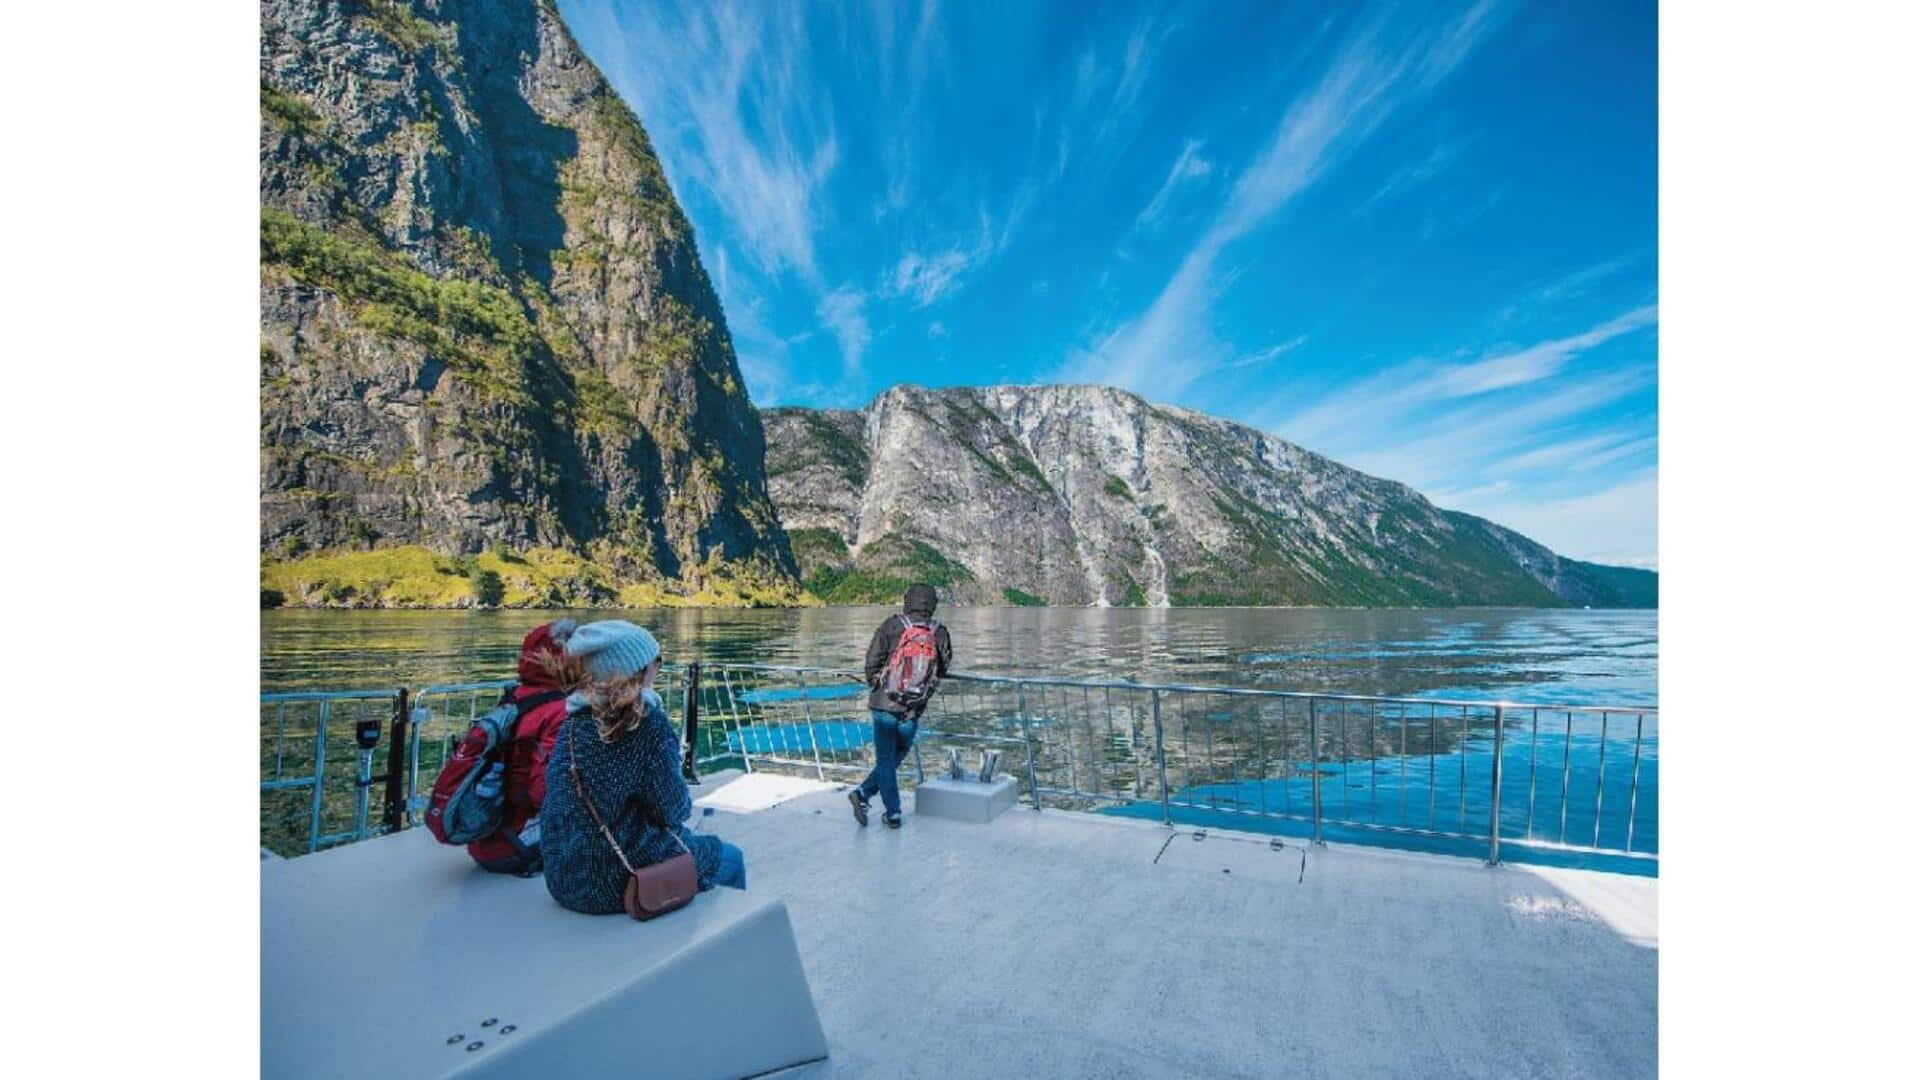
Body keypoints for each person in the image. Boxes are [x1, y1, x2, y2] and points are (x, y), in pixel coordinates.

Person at [541, 620, 746, 915]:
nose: (658, 669)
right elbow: (674, 810)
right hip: (614, 881)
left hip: (563, 878)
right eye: (655, 661)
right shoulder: (645, 724)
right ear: (636, 671)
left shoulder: (573, 722)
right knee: (728, 858)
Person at [467, 619, 577, 874]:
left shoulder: (514, 699)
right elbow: (546, 792)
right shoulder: (560, 712)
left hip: (487, 838)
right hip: (519, 845)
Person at [851, 583, 953, 829]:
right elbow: (943, 668)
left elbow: (872, 661)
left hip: (884, 703)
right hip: (914, 707)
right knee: (897, 755)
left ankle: (871, 798)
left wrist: (876, 681)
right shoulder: (939, 632)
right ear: (932, 604)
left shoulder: (891, 625)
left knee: (886, 759)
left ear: (908, 601)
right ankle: (885, 807)